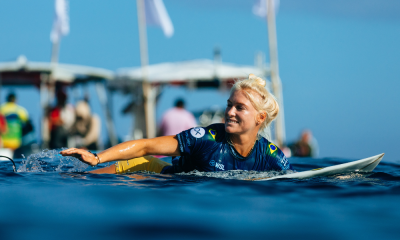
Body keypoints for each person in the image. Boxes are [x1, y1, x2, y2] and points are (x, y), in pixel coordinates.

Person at [61, 74, 293, 174]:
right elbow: (146, 147)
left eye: (239, 108)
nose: (229, 112)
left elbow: (299, 179)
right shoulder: (207, 138)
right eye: (229, 104)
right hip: (152, 171)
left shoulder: (269, 155)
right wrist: (97, 157)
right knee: (86, 181)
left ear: (260, 118)